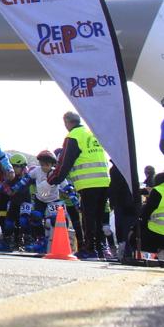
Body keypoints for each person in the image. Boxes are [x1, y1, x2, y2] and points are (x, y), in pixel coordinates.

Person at [47, 111, 112, 259]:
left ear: (67, 122)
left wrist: (53, 179)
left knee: (88, 217)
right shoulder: (92, 133)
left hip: (88, 182)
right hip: (104, 180)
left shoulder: (74, 136)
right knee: (99, 217)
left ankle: (89, 249)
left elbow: (65, 162)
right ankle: (101, 248)